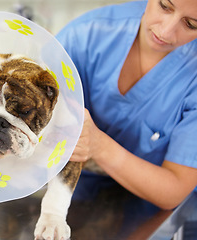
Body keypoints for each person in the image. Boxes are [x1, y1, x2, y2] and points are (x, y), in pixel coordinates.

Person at [56, 0, 197, 210]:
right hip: (70, 189)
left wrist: (99, 146)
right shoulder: (86, 35)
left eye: (191, 24)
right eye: (165, 6)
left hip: (151, 207)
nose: (166, 31)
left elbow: (174, 190)